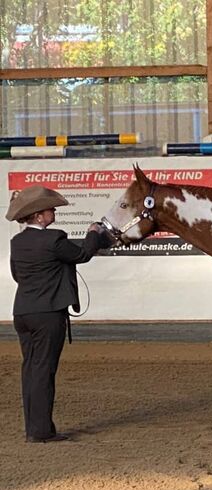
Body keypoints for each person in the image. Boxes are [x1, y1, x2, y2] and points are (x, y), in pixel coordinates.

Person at [6, 185, 112, 443]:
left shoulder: (17, 242)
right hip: (48, 314)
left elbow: (17, 275)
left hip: (23, 312)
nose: (53, 212)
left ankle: (35, 428)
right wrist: (94, 233)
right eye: (50, 210)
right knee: (44, 371)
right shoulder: (54, 239)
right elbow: (83, 254)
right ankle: (41, 432)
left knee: (31, 370)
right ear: (39, 216)